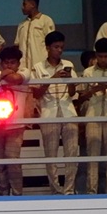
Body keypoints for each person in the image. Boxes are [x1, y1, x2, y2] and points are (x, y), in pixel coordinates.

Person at [32, 31, 79, 196]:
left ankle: (69, 190)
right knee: (51, 155)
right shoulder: (38, 67)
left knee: (72, 153)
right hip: (49, 113)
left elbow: (72, 93)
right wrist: (53, 78)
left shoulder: (68, 64)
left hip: (68, 112)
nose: (59, 50)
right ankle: (55, 190)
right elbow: (36, 93)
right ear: (47, 48)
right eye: (56, 47)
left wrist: (69, 80)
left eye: (61, 47)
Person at [78, 38, 107, 195]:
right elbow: (81, 97)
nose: (103, 59)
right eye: (100, 56)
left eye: (105, 56)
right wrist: (94, 89)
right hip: (93, 116)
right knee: (92, 158)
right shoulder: (88, 72)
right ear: (96, 55)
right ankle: (91, 192)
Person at [0, 46, 32, 196]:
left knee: (12, 160)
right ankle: (3, 196)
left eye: (12, 62)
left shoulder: (25, 72)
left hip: (16, 125)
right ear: (1, 63)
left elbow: (15, 79)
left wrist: (2, 74)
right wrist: (2, 73)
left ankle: (17, 195)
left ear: (18, 63)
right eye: (6, 62)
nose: (9, 65)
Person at [14, 0, 54, 72]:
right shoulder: (22, 24)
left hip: (40, 66)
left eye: (24, 4)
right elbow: (17, 45)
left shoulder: (46, 20)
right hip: (23, 68)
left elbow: (52, 44)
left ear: (32, 5)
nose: (22, 7)